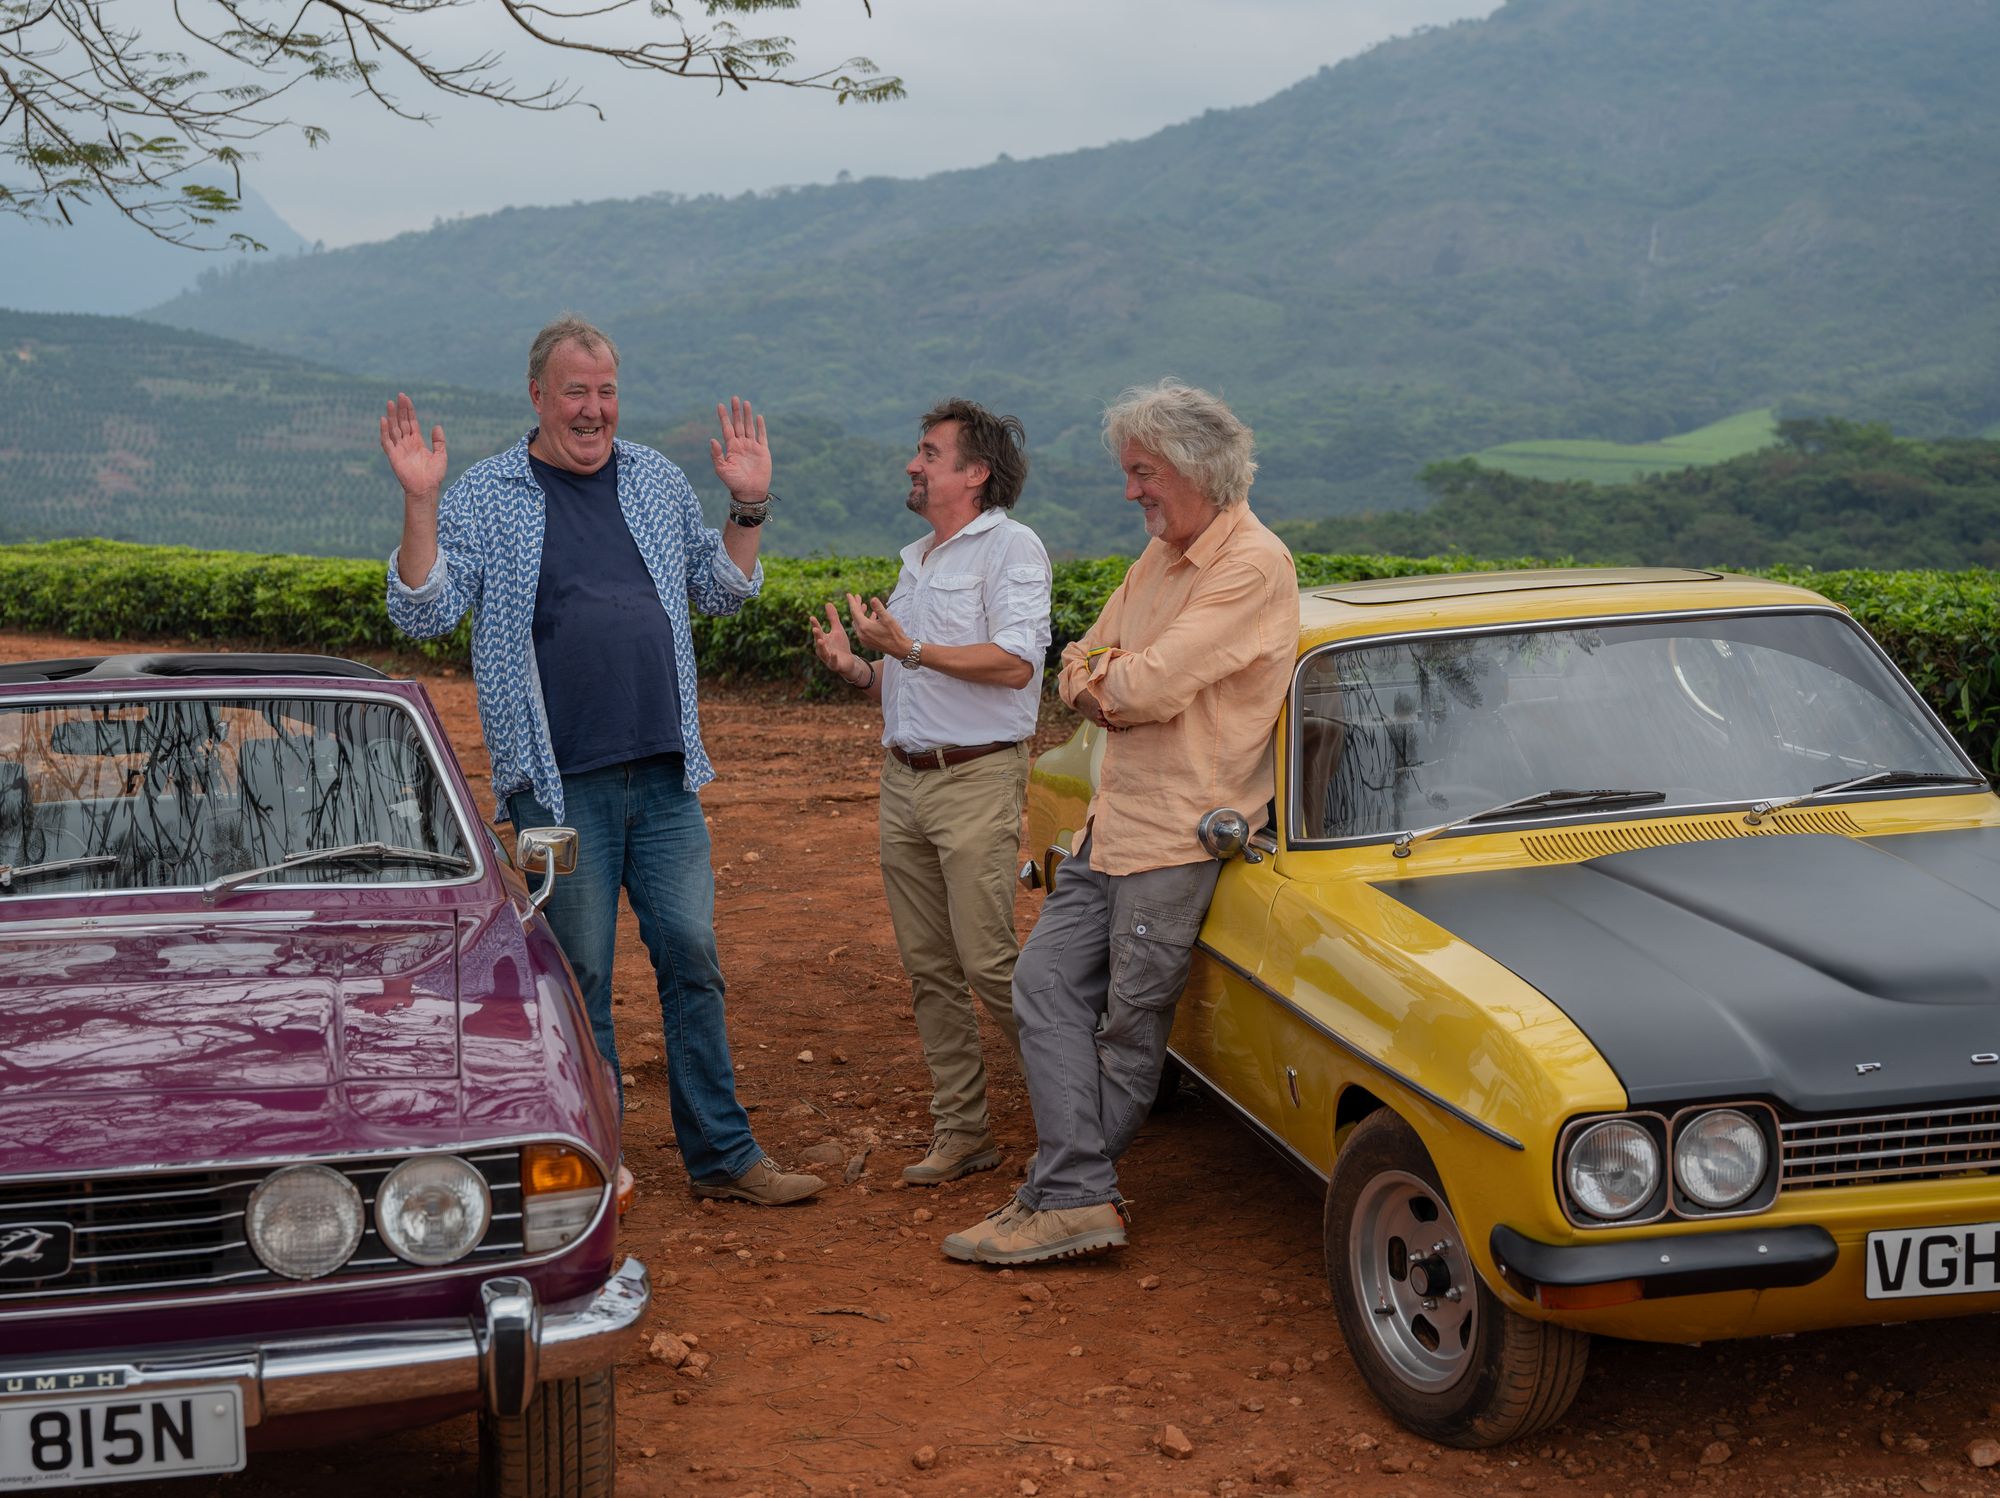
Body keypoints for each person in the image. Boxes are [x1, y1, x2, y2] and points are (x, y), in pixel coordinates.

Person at [380, 314, 824, 1207]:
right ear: (538, 396)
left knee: (691, 955)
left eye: (606, 391)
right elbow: (422, 612)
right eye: (575, 391)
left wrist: (748, 506)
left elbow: (721, 589)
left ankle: (723, 1158)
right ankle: (595, 1159)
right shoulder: (486, 491)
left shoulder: (655, 479)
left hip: (664, 774)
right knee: (579, 976)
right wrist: (420, 504)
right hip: (554, 785)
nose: (593, 409)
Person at [943, 378, 1300, 1265]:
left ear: (1196, 470)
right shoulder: (1160, 559)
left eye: (1143, 472)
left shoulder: (1251, 563)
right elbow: (1080, 663)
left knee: (1132, 1026)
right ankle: (1072, 1191)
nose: (1131, 490)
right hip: (1117, 819)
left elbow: (1142, 684)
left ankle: (1067, 1197)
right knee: (1043, 984)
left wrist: (1111, 681)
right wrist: (1110, 680)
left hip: (1182, 829)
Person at [809, 399, 1052, 1185]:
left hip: (977, 777)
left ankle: (1078, 1117)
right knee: (929, 968)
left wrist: (907, 645)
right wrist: (858, 668)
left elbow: (1016, 663)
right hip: (905, 781)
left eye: (928, 453)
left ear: (973, 473)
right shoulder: (919, 558)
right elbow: (911, 675)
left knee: (986, 961)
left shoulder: (1010, 549)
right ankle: (964, 1132)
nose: (913, 465)